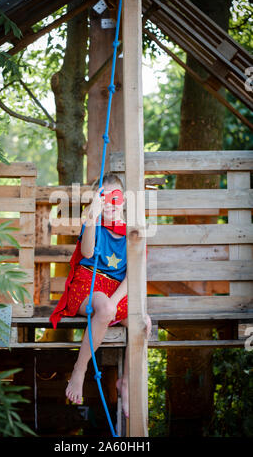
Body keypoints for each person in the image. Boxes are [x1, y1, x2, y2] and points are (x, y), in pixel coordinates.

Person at [50, 172, 152, 418]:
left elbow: (133, 277)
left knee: (143, 323)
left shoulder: (133, 232)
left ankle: (125, 382)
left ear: (124, 200)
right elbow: (86, 253)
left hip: (116, 289)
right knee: (105, 309)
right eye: (102, 197)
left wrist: (116, 302)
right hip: (88, 284)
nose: (109, 203)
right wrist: (92, 217)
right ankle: (79, 369)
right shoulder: (92, 223)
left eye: (114, 197)